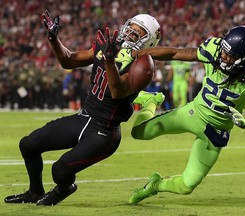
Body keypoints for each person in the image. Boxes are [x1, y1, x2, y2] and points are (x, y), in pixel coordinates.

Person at [4, 10, 161, 206]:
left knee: (60, 170)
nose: (130, 33)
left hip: (104, 131)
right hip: (83, 118)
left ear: (149, 41)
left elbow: (117, 93)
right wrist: (54, 39)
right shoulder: (107, 46)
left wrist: (110, 61)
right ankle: (35, 191)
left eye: (139, 32)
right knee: (28, 145)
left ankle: (65, 188)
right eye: (130, 27)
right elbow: (68, 60)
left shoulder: (143, 64)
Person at [127, 25, 245, 204]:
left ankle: (155, 185)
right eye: (223, 51)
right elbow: (176, 54)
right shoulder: (214, 49)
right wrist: (137, 54)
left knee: (186, 185)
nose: (222, 56)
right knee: (138, 133)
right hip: (193, 112)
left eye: (230, 56)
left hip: (215, 132)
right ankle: (151, 102)